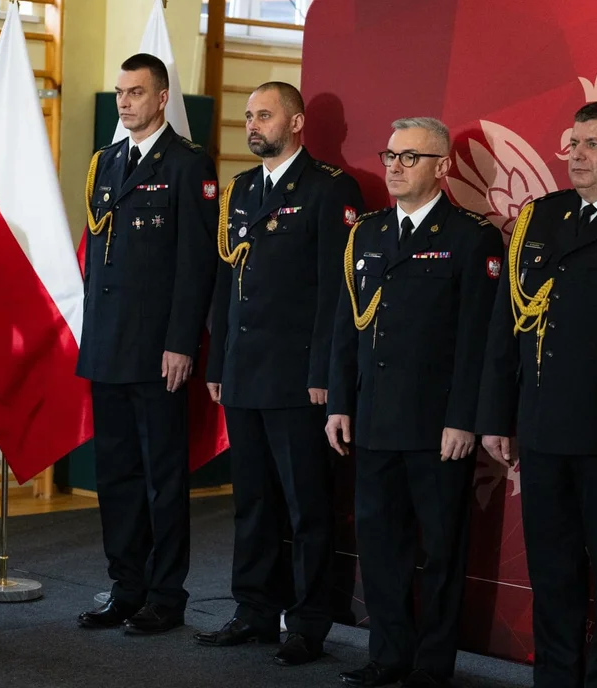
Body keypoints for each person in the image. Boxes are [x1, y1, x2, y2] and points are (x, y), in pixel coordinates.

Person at [325, 118, 502, 688]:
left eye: (409, 157)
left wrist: (464, 420)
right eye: (389, 155)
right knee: (381, 545)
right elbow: (345, 326)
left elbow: (479, 341)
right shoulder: (369, 234)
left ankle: (432, 663)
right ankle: (388, 655)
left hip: (437, 427)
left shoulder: (472, 237)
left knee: (442, 552)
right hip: (374, 418)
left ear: (442, 167)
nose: (393, 167)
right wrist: (340, 402)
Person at [196, 82, 363, 666]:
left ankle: (309, 621)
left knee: (306, 507)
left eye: (263, 115)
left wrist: (323, 370)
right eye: (248, 115)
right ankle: (255, 609)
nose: (252, 124)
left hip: (298, 378)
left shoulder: (329, 189)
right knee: (252, 503)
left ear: (295, 123)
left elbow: (335, 294)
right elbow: (226, 284)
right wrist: (218, 362)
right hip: (243, 372)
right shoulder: (240, 191)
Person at [477, 100, 597, 687]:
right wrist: (497, 416)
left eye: (592, 144)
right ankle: (557, 677)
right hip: (541, 429)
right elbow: (504, 328)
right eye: (574, 142)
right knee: (552, 567)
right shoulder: (541, 219)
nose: (577, 156)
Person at [75, 53, 218, 634]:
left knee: (163, 476)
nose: (125, 102)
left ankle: (166, 594)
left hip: (160, 351)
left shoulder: (187, 164)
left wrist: (182, 342)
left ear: (162, 98)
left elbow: (196, 263)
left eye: (135, 92)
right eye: (119, 93)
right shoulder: (104, 163)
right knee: (116, 475)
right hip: (109, 346)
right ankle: (125, 585)